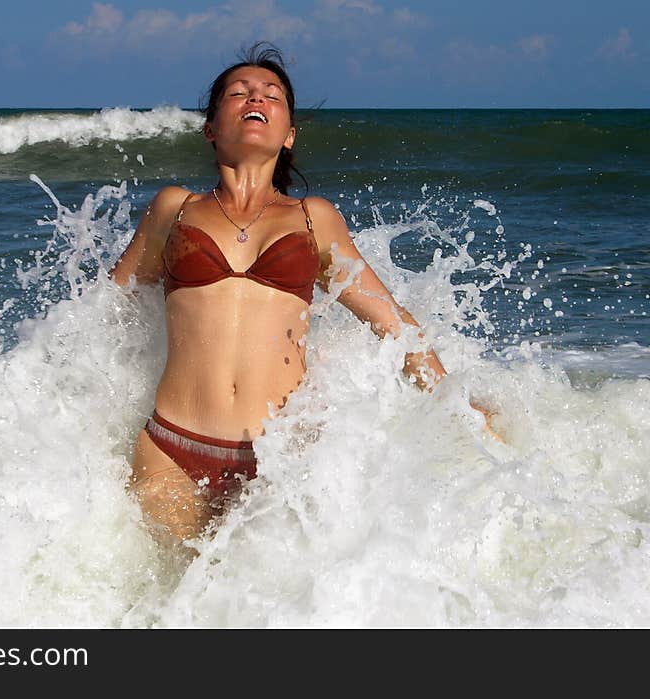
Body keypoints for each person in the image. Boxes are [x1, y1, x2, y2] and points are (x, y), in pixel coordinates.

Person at [111, 43, 495, 545]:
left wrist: (457, 405)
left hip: (279, 458)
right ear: (211, 128)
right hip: (171, 450)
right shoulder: (174, 209)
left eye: (273, 95)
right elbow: (109, 312)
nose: (257, 97)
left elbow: (390, 323)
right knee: (177, 610)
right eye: (239, 92)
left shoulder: (314, 219)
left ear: (289, 133)